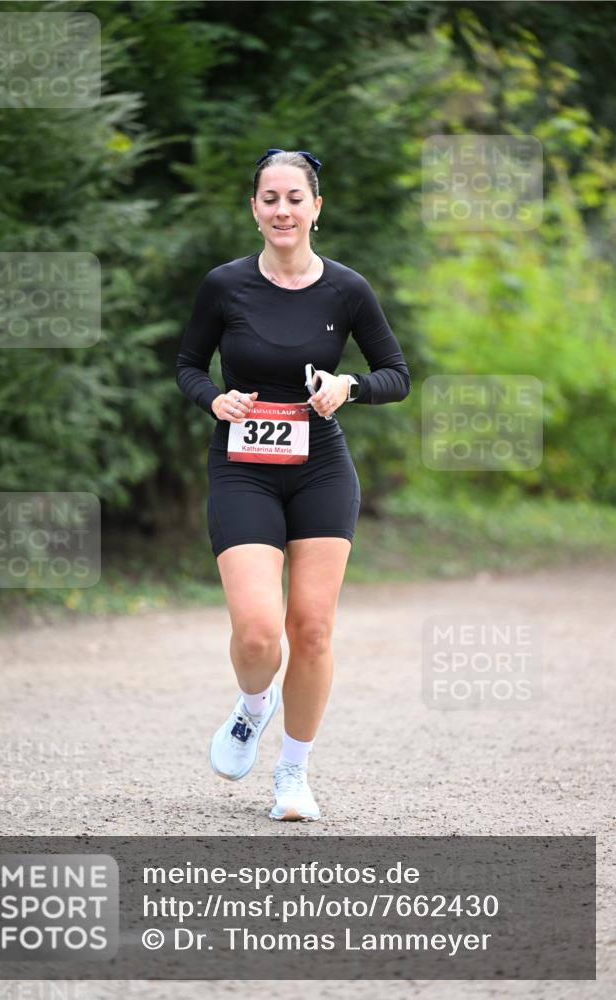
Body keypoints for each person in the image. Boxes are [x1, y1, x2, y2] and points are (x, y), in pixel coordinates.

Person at [175, 148, 410, 821]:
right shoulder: (224, 286)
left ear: (316, 208)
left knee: (310, 629)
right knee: (257, 635)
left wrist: (349, 386)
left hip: (320, 469)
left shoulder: (346, 289)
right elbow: (190, 366)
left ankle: (293, 773)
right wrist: (213, 401)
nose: (282, 210)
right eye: (269, 198)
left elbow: (395, 374)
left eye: (294, 198)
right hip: (242, 468)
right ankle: (253, 707)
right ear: (254, 209)